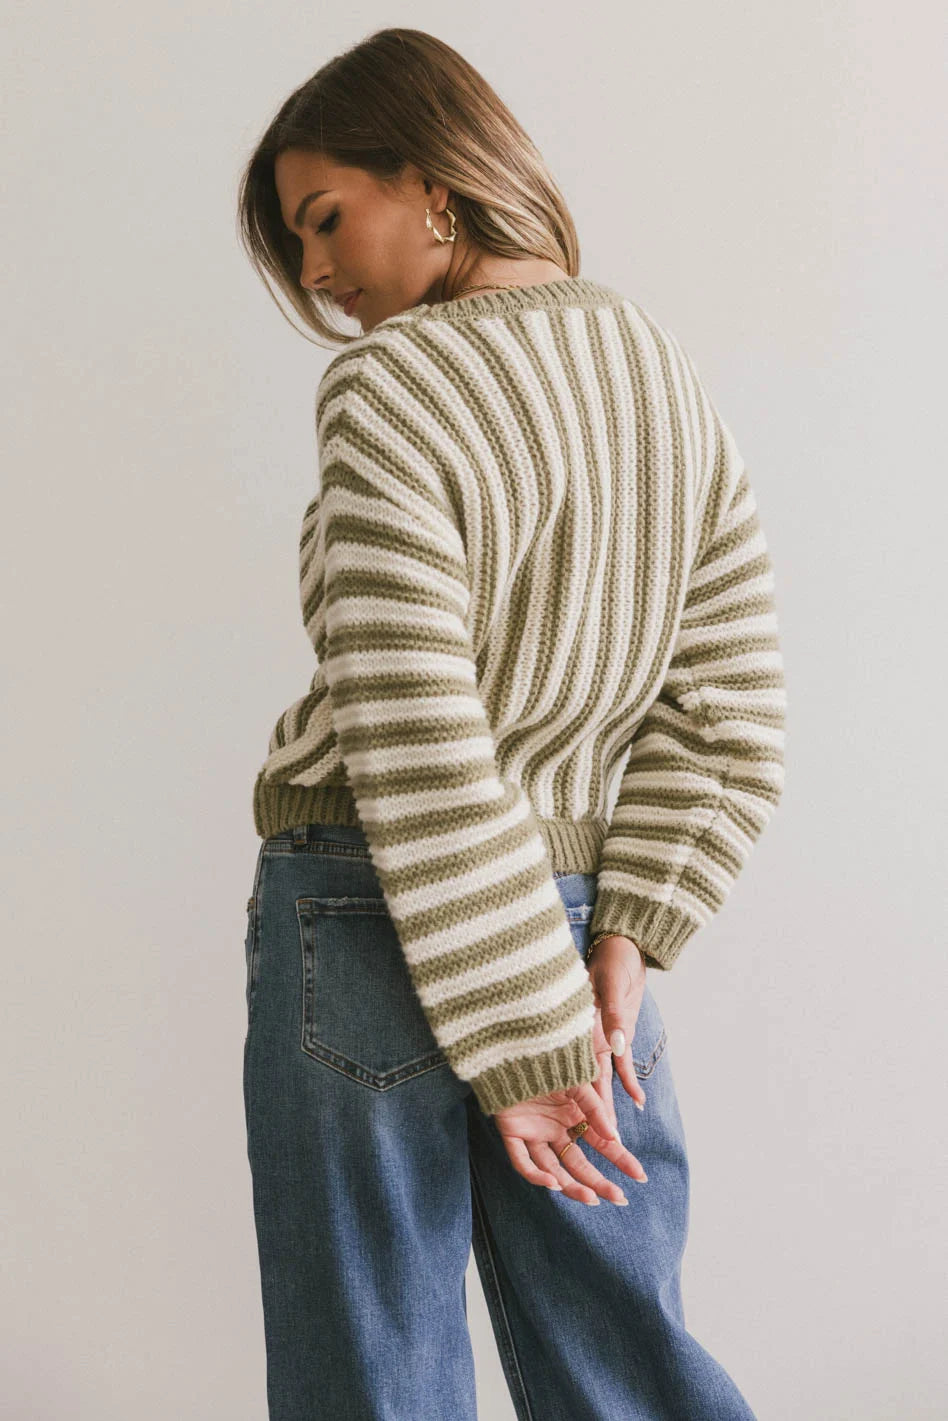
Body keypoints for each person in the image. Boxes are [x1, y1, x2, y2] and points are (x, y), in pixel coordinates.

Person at [236, 26, 786, 1421]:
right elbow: (729, 705)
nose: (315, 273)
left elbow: (414, 729)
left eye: (324, 218)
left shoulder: (390, 387)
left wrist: (524, 1029)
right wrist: (624, 934)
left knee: (375, 1375)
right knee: (627, 1365)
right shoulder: (656, 363)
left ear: (433, 179)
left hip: (371, 899)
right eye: (297, 242)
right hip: (576, 938)